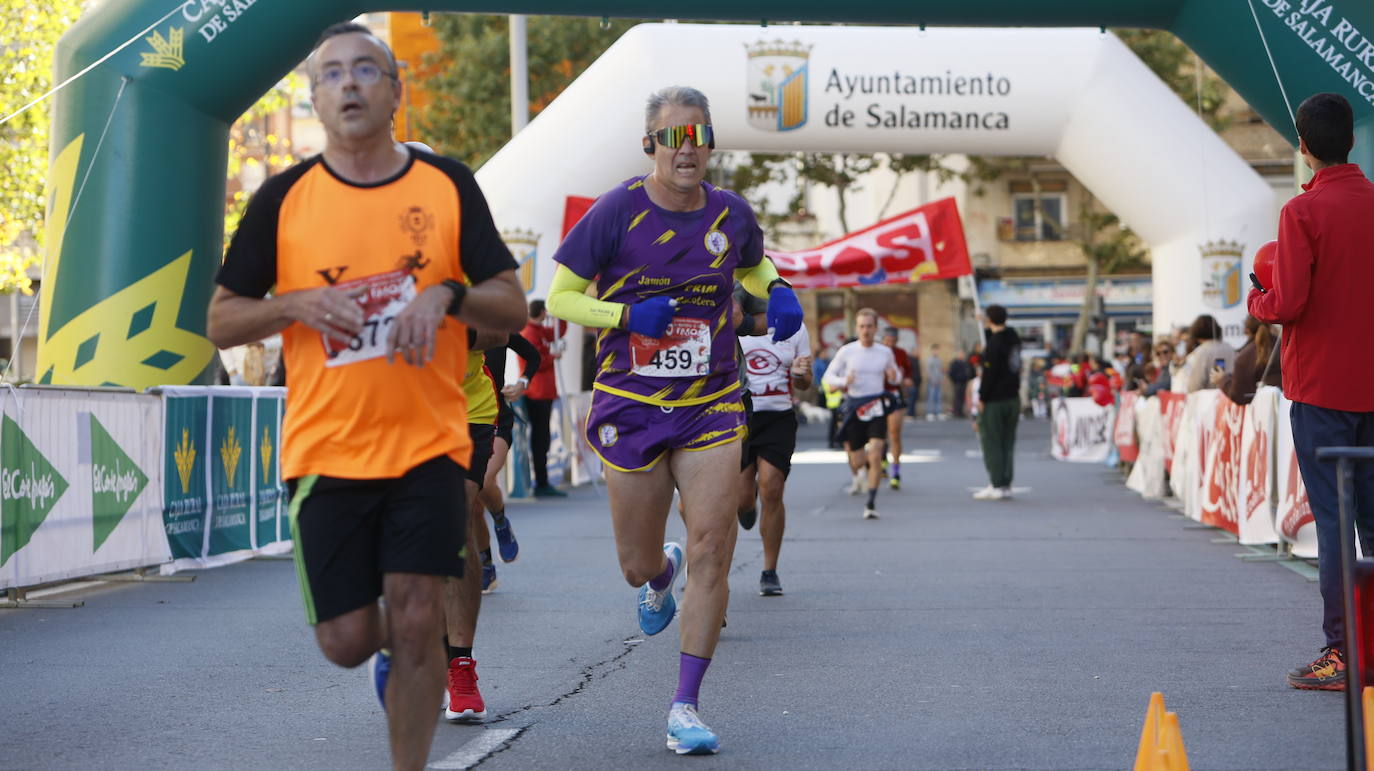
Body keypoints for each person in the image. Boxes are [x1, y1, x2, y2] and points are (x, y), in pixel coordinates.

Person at [204, 22, 525, 771]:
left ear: (394, 91)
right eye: (331, 75)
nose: (348, 83)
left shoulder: (446, 186)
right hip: (327, 449)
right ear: (316, 99)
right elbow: (221, 321)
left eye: (365, 70)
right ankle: (399, 645)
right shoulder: (284, 199)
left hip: (430, 443)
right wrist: (293, 306)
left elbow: (511, 306)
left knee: (417, 619)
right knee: (347, 640)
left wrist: (446, 293)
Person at [545, 86, 802, 754]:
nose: (688, 149)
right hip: (630, 405)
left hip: (712, 402)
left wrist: (776, 289)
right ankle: (660, 574)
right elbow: (561, 296)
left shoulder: (731, 213)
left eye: (700, 135)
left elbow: (751, 262)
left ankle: (685, 705)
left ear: (711, 142)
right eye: (674, 137)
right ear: (651, 144)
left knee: (714, 546)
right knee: (634, 563)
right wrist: (627, 316)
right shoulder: (617, 211)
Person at [1248, 92, 1374, 691]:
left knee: (1335, 522)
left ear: (1303, 146)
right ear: (1349, 139)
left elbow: (1288, 302)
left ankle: (1344, 651)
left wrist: (1256, 297)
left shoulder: (1302, 213)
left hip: (1323, 387)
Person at [739, 322, 811, 596]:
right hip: (739, 414)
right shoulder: (735, 318)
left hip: (778, 417)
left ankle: (769, 570)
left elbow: (805, 382)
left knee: (772, 487)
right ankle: (747, 501)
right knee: (741, 499)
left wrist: (800, 375)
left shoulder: (793, 326)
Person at [473, 333, 542, 592]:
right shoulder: (450, 329)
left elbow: (534, 355)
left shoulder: (496, 329)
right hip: (457, 421)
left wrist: (522, 381)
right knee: (471, 502)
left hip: (495, 419)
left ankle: (500, 520)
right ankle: (486, 566)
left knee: (483, 481)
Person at [823, 309, 900, 520]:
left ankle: (871, 502)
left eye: (869, 326)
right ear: (857, 329)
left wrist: (894, 377)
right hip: (854, 407)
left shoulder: (884, 352)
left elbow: (896, 376)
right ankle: (862, 470)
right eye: (862, 326)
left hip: (876, 406)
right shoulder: (847, 351)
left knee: (876, 452)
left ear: (876, 328)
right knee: (857, 460)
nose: (866, 330)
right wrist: (843, 382)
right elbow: (829, 375)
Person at [519, 300, 568, 498]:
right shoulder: (530, 332)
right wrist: (553, 357)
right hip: (537, 392)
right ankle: (540, 482)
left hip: (543, 391)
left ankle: (542, 480)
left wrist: (561, 313)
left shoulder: (536, 330)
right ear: (541, 312)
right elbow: (534, 361)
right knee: (540, 439)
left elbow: (559, 331)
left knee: (543, 437)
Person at [973, 305, 1022, 500]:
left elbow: (989, 374)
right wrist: (985, 325)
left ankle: (996, 483)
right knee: (1007, 442)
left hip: (995, 400)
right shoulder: (1013, 338)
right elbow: (998, 335)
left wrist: (982, 397)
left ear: (989, 320)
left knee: (992, 441)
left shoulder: (993, 345)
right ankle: (1006, 482)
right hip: (1013, 397)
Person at [1210, 315, 1281, 406]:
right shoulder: (1285, 346)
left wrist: (1222, 380)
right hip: (1288, 409)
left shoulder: (1243, 357)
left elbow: (1239, 396)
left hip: (1262, 414)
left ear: (1246, 330)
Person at [881, 328, 913, 489]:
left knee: (894, 433)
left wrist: (906, 379)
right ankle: (882, 458)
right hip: (878, 396)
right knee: (880, 433)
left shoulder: (901, 353)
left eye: (893, 341)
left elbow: (908, 371)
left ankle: (896, 471)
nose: (890, 344)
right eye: (887, 341)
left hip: (895, 395)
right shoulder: (876, 352)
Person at [1179, 314, 1235, 393]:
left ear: (1196, 331)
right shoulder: (1230, 348)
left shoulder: (1200, 352)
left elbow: (1195, 385)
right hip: (1230, 398)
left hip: (1207, 401)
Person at [948, 350, 974, 418]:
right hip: (958, 383)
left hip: (964, 382)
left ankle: (961, 411)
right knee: (957, 398)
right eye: (961, 354)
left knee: (962, 398)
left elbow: (968, 371)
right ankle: (956, 412)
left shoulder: (965, 363)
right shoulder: (954, 363)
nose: (962, 356)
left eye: (963, 354)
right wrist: (955, 380)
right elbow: (951, 373)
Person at [924, 343, 944, 419]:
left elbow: (941, 371)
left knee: (938, 397)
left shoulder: (939, 360)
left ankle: (938, 412)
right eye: (935, 350)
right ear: (932, 351)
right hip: (932, 382)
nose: (936, 352)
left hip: (938, 382)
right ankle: (929, 413)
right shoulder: (929, 360)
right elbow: (928, 371)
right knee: (931, 397)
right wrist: (932, 380)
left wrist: (941, 379)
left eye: (937, 350)